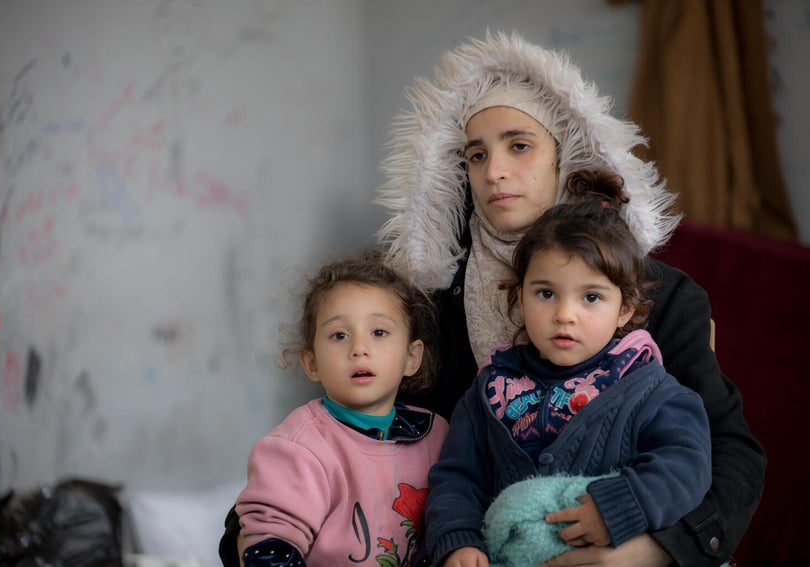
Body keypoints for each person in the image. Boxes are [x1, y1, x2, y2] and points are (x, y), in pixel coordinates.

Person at [376, 31, 764, 566]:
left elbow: (727, 454)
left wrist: (646, 554)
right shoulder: (435, 307)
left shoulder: (662, 295)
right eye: (475, 154)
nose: (495, 172)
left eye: (519, 145)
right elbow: (377, 432)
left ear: (564, 155)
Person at [422, 169, 712, 567]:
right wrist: (459, 540)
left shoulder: (648, 388)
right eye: (545, 293)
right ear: (519, 297)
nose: (564, 315)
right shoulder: (491, 391)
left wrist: (619, 507)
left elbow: (686, 464)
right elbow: (456, 478)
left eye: (591, 297)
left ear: (624, 309)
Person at [228, 252, 449, 567]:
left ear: (411, 357)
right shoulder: (297, 449)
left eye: (379, 332)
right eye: (339, 335)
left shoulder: (436, 434)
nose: (359, 348)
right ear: (312, 363)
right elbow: (270, 547)